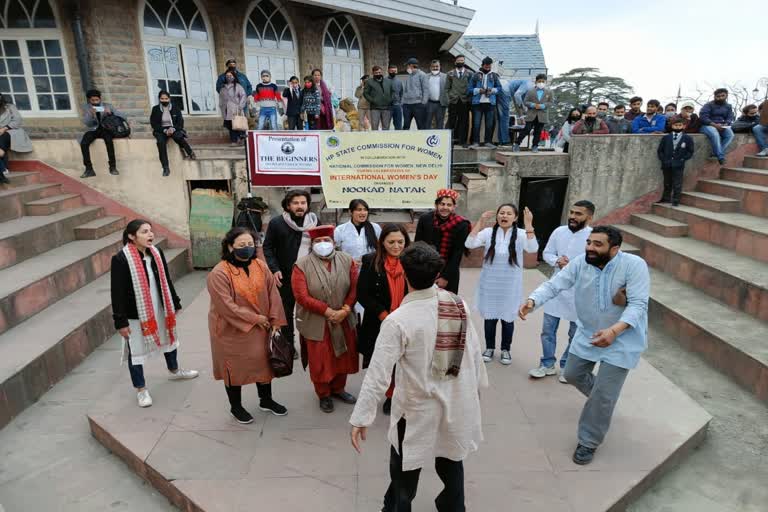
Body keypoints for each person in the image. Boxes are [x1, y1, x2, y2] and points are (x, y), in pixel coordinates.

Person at [350, 242, 488, 512]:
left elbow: (378, 376)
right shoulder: (457, 303)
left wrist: (361, 418)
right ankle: (452, 507)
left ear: (403, 272)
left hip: (415, 410)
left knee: (405, 470)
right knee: (451, 460)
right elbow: (473, 350)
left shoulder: (398, 320)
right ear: (437, 275)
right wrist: (476, 390)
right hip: (455, 400)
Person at [519, 226, 650, 465]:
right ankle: (602, 401)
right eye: (589, 242)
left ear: (615, 249)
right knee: (571, 374)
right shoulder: (580, 263)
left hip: (622, 337)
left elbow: (639, 305)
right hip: (588, 333)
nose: (590, 247)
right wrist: (532, 300)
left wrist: (614, 330)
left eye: (597, 244)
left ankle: (588, 441)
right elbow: (554, 284)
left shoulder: (634, 265)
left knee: (603, 395)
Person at [110, 219, 198, 408]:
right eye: (144, 232)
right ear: (132, 237)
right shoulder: (121, 259)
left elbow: (166, 278)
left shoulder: (156, 253)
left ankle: (174, 370)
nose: (150, 235)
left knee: (169, 336)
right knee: (136, 349)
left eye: (151, 231)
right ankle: (141, 390)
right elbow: (116, 293)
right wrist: (121, 322)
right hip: (137, 314)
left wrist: (174, 302)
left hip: (160, 306)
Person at [207, 227, 288, 423]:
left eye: (250, 245)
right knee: (234, 369)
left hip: (262, 326)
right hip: (230, 331)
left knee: (264, 363)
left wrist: (276, 320)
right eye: (242, 245)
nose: (247, 248)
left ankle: (266, 400)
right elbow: (226, 306)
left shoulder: (260, 265)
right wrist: (255, 319)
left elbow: (273, 294)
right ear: (230, 246)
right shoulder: (219, 272)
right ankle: (236, 407)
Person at [292, 225, 359, 413]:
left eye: (326, 240)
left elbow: (354, 288)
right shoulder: (301, 265)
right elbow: (301, 296)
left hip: (344, 318)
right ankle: (323, 394)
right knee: (320, 359)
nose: (323, 244)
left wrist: (345, 309)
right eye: (318, 241)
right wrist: (328, 312)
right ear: (312, 244)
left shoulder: (347, 260)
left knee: (343, 355)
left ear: (334, 242)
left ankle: (338, 389)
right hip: (317, 322)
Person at [529, 201, 594, 381]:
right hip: (556, 288)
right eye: (572, 212)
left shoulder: (593, 237)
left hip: (580, 292)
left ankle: (567, 366)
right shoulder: (559, 232)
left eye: (578, 214)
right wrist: (557, 261)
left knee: (575, 333)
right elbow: (547, 253)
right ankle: (547, 364)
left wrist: (574, 266)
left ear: (589, 217)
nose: (573, 216)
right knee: (548, 330)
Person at [465, 205, 538, 365]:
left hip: (510, 285)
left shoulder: (520, 234)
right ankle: (489, 348)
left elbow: (533, 248)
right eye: (501, 213)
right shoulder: (488, 232)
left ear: (515, 217)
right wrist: (481, 222)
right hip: (489, 284)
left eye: (508, 213)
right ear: (497, 216)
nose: (504, 216)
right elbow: (469, 243)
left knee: (508, 319)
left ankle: (506, 349)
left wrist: (528, 225)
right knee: (490, 318)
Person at [356, 223, 411, 417]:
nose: (396, 246)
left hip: (407, 321)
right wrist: (382, 314)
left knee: (404, 361)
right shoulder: (371, 261)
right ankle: (386, 392)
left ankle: (395, 395)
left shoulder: (413, 261)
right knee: (385, 361)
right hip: (380, 321)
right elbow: (363, 293)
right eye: (391, 242)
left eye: (400, 242)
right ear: (382, 242)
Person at [263, 190, 318, 358]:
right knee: (286, 313)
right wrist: (274, 269)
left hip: (310, 276)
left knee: (311, 312)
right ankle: (288, 346)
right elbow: (268, 247)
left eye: (303, 203)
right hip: (285, 276)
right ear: (288, 205)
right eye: (296, 203)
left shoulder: (315, 222)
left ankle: (311, 345)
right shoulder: (277, 223)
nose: (300, 206)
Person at [414, 188, 471, 293]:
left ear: (454, 207)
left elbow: (457, 253)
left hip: (449, 272)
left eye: (449, 205)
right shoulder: (425, 219)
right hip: (426, 269)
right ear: (436, 205)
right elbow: (418, 245)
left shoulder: (462, 224)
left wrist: (445, 277)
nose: (445, 207)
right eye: (442, 204)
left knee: (447, 305)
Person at [149, 90, 195, 177]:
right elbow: (154, 124)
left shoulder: (175, 108)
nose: (164, 100)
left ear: (169, 99)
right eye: (162, 99)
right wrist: (164, 130)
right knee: (160, 143)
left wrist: (173, 129)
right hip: (161, 130)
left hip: (173, 128)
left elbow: (180, 122)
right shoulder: (155, 109)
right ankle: (165, 167)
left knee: (178, 137)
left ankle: (190, 152)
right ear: (159, 99)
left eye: (166, 98)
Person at [79, 89, 124, 178]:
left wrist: (110, 113)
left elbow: (122, 116)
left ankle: (113, 167)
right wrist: (91, 115)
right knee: (84, 143)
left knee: (109, 141)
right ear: (89, 100)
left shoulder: (108, 106)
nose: (95, 102)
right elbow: (87, 123)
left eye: (97, 100)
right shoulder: (86, 108)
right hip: (93, 129)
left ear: (100, 99)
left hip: (106, 129)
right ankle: (89, 169)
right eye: (93, 100)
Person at [656, 117, 695, 206]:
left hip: (679, 164)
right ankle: (666, 198)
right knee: (667, 182)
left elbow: (690, 151)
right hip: (667, 164)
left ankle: (676, 199)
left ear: (683, 126)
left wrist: (683, 159)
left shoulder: (687, 138)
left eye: (679, 125)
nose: (677, 127)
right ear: (672, 126)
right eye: (675, 125)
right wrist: (663, 160)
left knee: (677, 182)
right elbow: (660, 150)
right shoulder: (666, 138)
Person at [334, 199, 382, 265]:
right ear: (350, 212)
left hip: (370, 268)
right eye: (359, 210)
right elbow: (335, 251)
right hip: (348, 268)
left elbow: (381, 249)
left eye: (365, 210)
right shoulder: (340, 230)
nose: (363, 213)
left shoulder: (375, 228)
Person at [513, 73, 553, 153]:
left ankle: (535, 146)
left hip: (542, 115)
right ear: (536, 82)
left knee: (538, 131)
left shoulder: (549, 92)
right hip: (531, 114)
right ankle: (517, 144)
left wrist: (542, 106)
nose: (541, 83)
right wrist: (533, 105)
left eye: (543, 81)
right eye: (539, 81)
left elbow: (550, 103)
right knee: (526, 129)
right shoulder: (531, 91)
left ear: (545, 82)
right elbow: (525, 101)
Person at [467, 57, 502, 149]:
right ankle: (475, 142)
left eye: (489, 65)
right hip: (477, 103)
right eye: (486, 65)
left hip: (490, 103)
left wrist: (492, 90)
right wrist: (479, 90)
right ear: (482, 65)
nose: (487, 67)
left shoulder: (494, 76)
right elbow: (469, 89)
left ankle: (488, 141)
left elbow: (499, 88)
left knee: (489, 124)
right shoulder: (475, 75)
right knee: (476, 123)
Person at [0, 94, 33, 184]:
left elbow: (18, 120)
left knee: (2, 139)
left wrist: (4, 128)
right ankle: (3, 168)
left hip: (11, 131)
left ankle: (3, 168)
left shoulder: (10, 107)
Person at [699, 88, 735, 164]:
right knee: (714, 133)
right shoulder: (708, 105)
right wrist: (714, 125)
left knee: (730, 134)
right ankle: (720, 157)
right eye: (718, 96)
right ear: (714, 96)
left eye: (723, 96)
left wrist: (726, 124)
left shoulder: (728, 106)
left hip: (722, 125)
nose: (720, 98)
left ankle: (716, 153)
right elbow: (703, 117)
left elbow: (730, 117)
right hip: (707, 125)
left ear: (726, 96)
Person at [446, 55, 471, 146]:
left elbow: (471, 87)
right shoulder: (450, 74)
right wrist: (450, 97)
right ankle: (449, 141)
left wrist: (468, 99)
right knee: (451, 121)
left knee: (464, 122)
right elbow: (446, 88)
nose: (460, 62)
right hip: (453, 101)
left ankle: (463, 141)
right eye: (459, 60)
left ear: (464, 62)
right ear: (455, 62)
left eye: (462, 60)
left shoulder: (469, 73)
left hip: (464, 101)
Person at [218, 70, 247, 146]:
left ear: (234, 77)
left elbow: (243, 96)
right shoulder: (223, 88)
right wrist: (221, 107)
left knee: (238, 124)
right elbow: (221, 98)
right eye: (227, 76)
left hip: (236, 108)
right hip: (226, 109)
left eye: (230, 75)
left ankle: (241, 138)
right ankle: (234, 140)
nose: (229, 77)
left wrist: (240, 106)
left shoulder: (238, 86)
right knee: (230, 125)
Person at [401, 58, 429, 130]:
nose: (407, 68)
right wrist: (403, 102)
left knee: (421, 126)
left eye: (407, 66)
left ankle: (421, 140)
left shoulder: (422, 75)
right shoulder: (409, 76)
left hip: (418, 104)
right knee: (406, 126)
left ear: (411, 65)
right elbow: (406, 90)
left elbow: (426, 89)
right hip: (407, 105)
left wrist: (423, 103)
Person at [363, 66, 393, 131]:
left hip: (386, 108)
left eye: (379, 72)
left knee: (386, 127)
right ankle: (375, 140)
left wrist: (390, 100)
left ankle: (385, 140)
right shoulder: (369, 82)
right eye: (376, 73)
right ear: (373, 73)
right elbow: (365, 93)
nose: (378, 74)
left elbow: (393, 92)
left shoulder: (388, 81)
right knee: (374, 126)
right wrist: (372, 100)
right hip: (375, 108)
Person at [426, 60, 448, 129]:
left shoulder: (445, 76)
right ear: (430, 67)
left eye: (437, 66)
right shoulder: (426, 76)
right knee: (427, 122)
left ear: (440, 67)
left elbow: (449, 89)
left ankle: (439, 138)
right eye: (433, 66)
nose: (435, 68)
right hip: (429, 103)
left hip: (440, 104)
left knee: (440, 123)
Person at [388, 64, 404, 130]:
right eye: (392, 71)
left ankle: (398, 139)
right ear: (388, 71)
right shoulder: (384, 81)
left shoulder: (399, 82)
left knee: (398, 125)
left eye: (395, 71)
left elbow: (402, 93)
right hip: (387, 106)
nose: (393, 72)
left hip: (397, 106)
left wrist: (400, 104)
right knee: (385, 125)